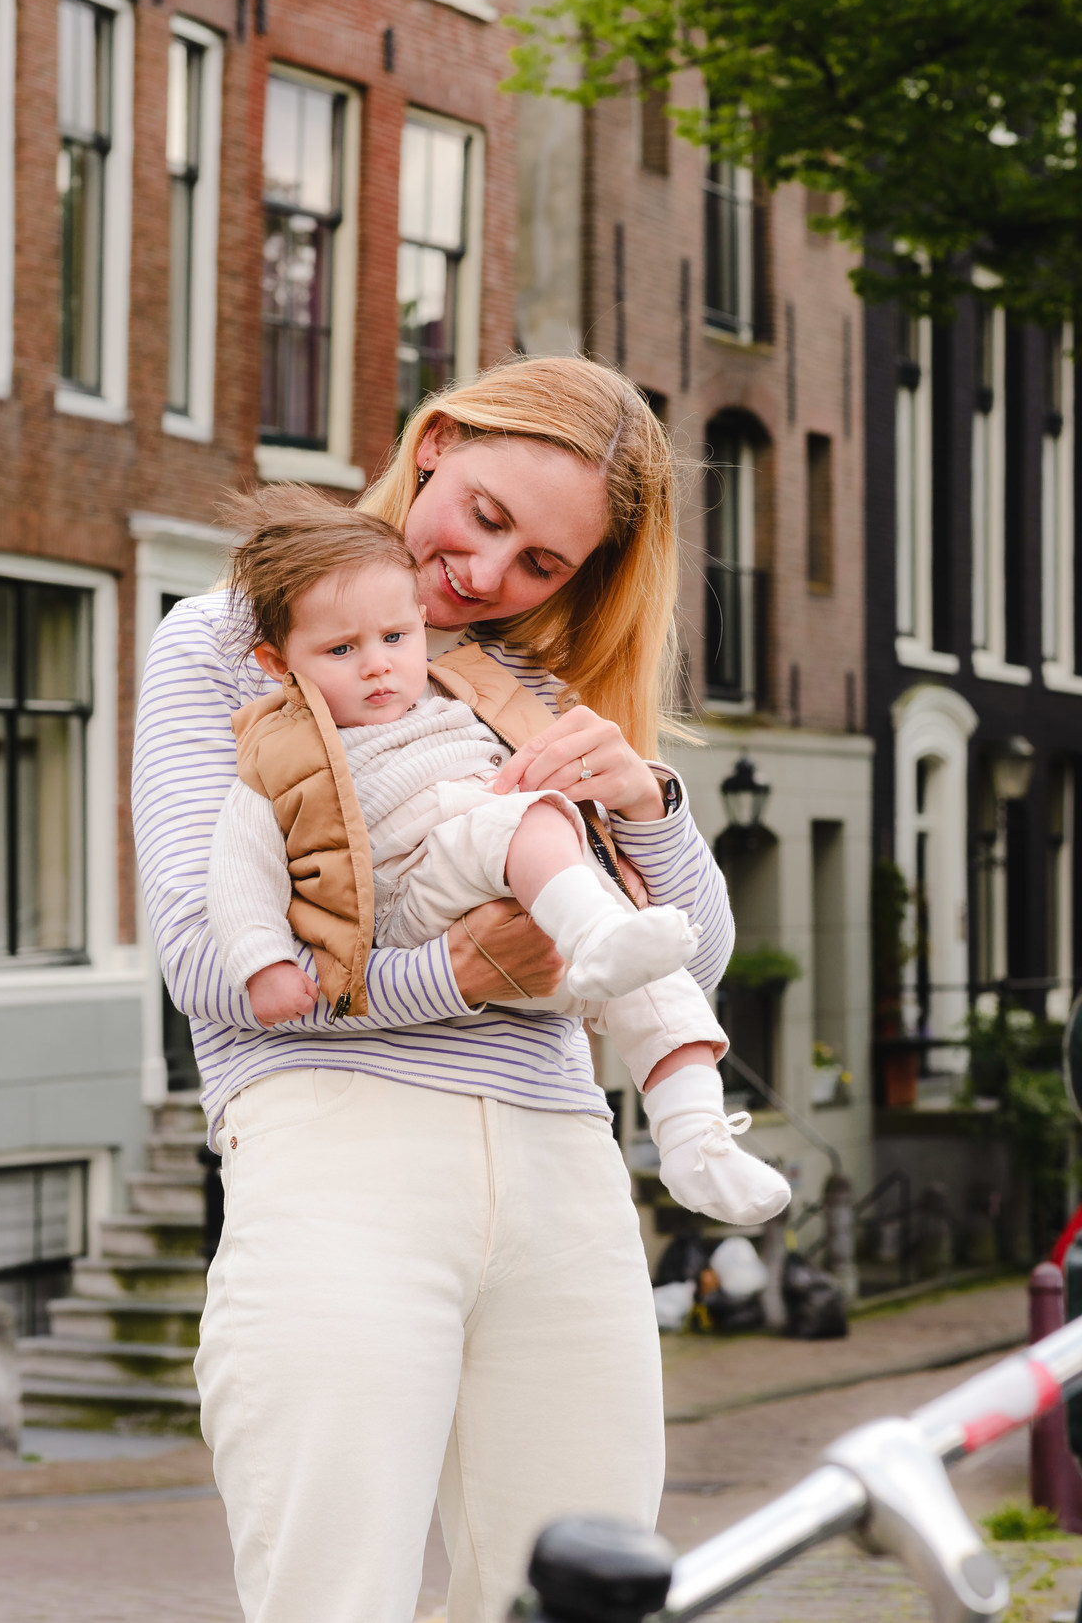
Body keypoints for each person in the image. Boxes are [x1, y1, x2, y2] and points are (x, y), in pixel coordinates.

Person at [131, 356, 742, 1623]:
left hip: (563, 1168)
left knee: (584, 1590)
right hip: (338, 1154)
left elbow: (699, 960)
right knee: (332, 1595)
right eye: (486, 514)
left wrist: (650, 801)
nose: (486, 573)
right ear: (434, 444)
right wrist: (457, 975)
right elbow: (207, 957)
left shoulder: (536, 695)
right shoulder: (226, 641)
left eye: (541, 567)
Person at [203, 485, 789, 1227]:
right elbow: (237, 867)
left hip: (523, 918)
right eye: (342, 651)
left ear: (418, 626)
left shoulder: (480, 689)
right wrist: (265, 963)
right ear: (276, 662)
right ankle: (595, 930)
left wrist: (641, 809)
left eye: (394, 640)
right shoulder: (282, 748)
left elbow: (705, 958)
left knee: (657, 982)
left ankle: (696, 1140)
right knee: (521, 825)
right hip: (411, 884)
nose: (378, 667)